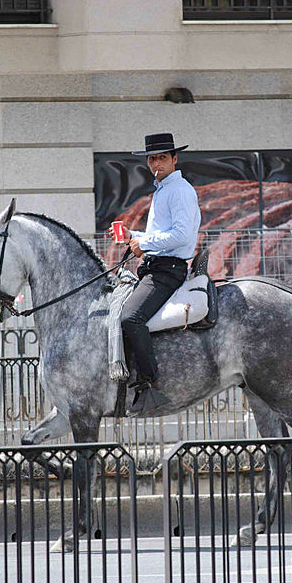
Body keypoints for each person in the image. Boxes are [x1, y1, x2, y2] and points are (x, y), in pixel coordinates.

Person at [121, 133, 201, 415]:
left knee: (131, 317)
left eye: (162, 157)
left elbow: (181, 236)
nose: (156, 162)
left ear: (174, 159)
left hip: (168, 270)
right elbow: (161, 235)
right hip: (157, 266)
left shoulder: (178, 190)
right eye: (152, 158)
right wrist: (135, 236)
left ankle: (149, 384)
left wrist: (144, 243)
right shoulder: (164, 189)